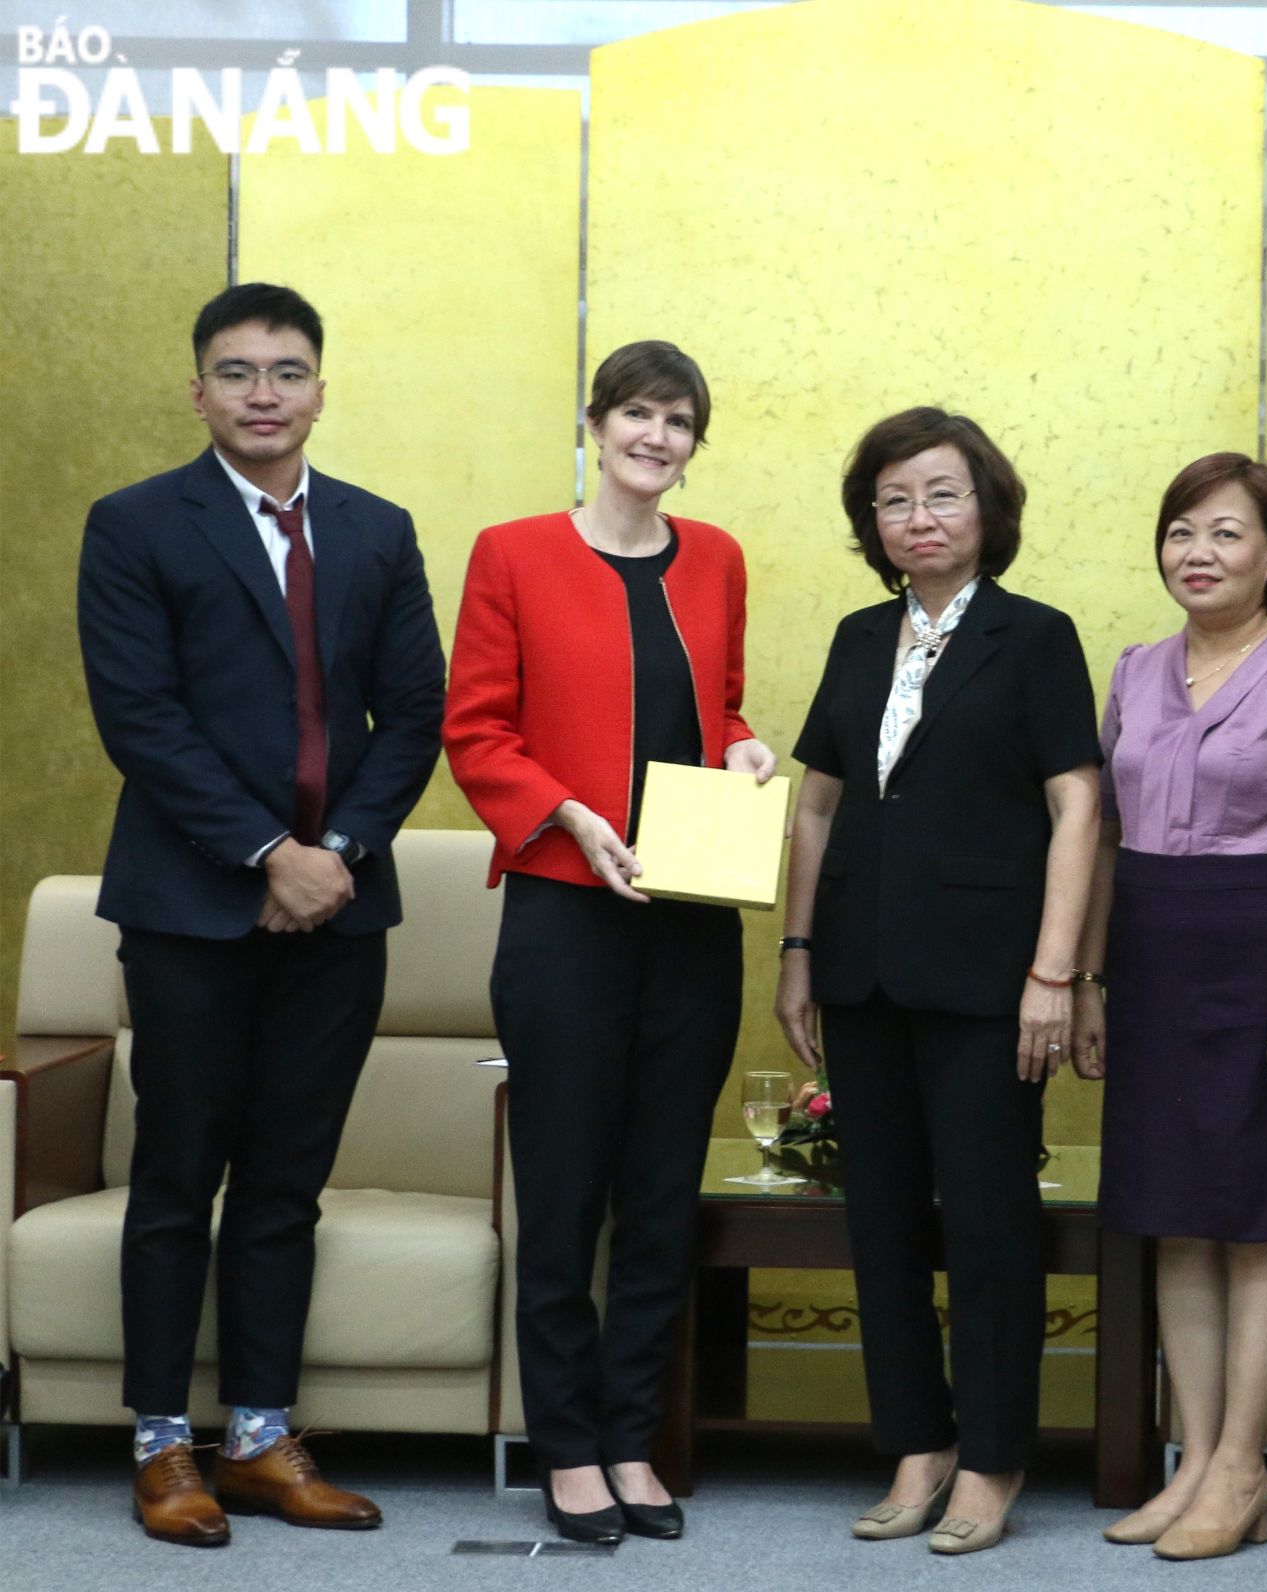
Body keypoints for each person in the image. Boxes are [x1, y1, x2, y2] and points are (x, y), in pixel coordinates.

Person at [76, 282, 445, 1545]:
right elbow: (141, 720)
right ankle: (161, 1444)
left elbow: (416, 716)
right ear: (199, 390)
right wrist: (263, 852)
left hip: (339, 908)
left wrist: (332, 852)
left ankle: (258, 1435)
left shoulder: (379, 530)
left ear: (321, 389)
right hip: (189, 908)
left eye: (287, 371)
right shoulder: (133, 525)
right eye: (236, 372)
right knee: (178, 1175)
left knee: (287, 1183)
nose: (263, 394)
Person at [443, 340, 777, 1545]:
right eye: (636, 412)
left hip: (690, 913)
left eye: (678, 419)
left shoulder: (719, 558)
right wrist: (567, 814)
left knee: (657, 1196)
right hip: (563, 908)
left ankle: (633, 1438)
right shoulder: (513, 553)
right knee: (566, 1185)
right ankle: (567, 1444)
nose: (656, 435)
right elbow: (474, 729)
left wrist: (743, 746)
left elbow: (722, 702)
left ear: (695, 440)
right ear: (594, 424)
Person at [773, 407, 1099, 1556]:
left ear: (986, 507)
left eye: (941, 493)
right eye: (896, 498)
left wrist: (1054, 971)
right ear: (874, 520)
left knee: (991, 1219)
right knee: (881, 1221)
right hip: (858, 968)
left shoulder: (1036, 634)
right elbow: (816, 802)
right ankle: (916, 1439)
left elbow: (1078, 807)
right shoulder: (860, 637)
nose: (919, 516)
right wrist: (797, 949)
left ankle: (995, 1453)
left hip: (985, 979)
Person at [1071, 453, 1267, 1561]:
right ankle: (1194, 1459)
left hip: (1257, 947)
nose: (1198, 552)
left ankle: (1243, 1464)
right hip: (1147, 949)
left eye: (1227, 533)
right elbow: (1099, 838)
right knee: (1171, 1216)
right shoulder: (1134, 669)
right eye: (1180, 530)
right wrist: (1091, 979)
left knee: (1256, 1216)